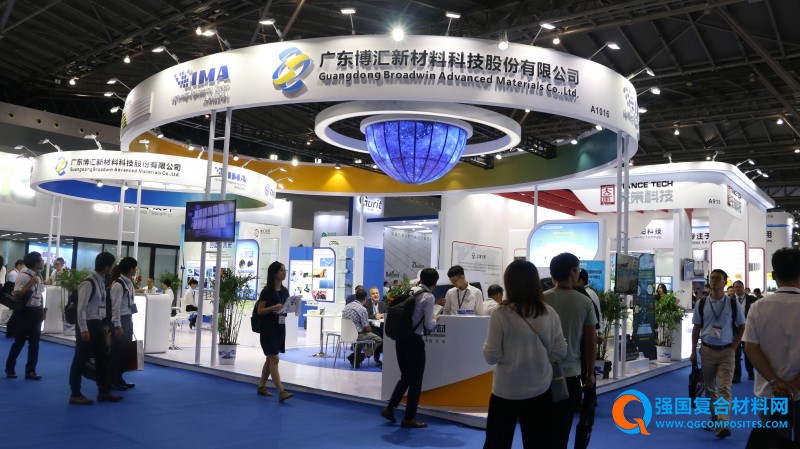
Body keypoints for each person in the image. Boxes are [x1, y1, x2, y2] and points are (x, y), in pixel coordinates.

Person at [482, 260, 567, 449]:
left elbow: (491, 356)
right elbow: (560, 351)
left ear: (508, 283)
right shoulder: (549, 312)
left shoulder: (500, 313)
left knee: (497, 443)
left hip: (505, 390)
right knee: (538, 443)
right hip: (540, 388)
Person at [743, 248, 800, 449]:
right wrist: (794, 385)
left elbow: (751, 349)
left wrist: (776, 382)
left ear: (774, 275)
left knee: (773, 442)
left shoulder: (758, 307)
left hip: (770, 391)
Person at [543, 252, 598, 449]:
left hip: (541, 374)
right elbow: (590, 342)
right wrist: (590, 373)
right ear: (573, 272)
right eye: (577, 270)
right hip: (570, 374)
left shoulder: (541, 299)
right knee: (562, 427)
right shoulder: (585, 302)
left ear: (553, 274)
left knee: (541, 428)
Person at [690, 268, 746, 438]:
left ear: (725, 282)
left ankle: (723, 423)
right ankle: (715, 418)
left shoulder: (732, 303)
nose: (714, 280)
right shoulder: (701, 303)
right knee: (710, 389)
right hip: (707, 350)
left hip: (726, 351)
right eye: (712, 278)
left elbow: (742, 325)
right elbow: (696, 327)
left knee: (724, 388)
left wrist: (734, 346)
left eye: (718, 278)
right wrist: (693, 350)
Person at [381, 268, 439, 428]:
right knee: (416, 381)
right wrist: (436, 319)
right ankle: (409, 418)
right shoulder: (428, 296)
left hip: (400, 338)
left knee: (406, 376)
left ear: (421, 279)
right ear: (435, 283)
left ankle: (390, 408)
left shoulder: (410, 290)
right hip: (414, 341)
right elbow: (429, 324)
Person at [69, 252, 122, 405]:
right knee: (80, 359)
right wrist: (83, 329)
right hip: (87, 325)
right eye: (111, 265)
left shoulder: (101, 281)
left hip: (97, 324)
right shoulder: (88, 282)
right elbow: (81, 308)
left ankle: (104, 391)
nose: (112, 268)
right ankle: (75, 393)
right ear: (106, 266)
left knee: (102, 358)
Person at [255, 261, 294, 402]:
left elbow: (285, 310)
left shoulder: (285, 291)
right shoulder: (267, 291)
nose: (284, 272)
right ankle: (281, 391)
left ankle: (261, 387)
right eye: (281, 270)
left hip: (279, 328)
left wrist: (286, 310)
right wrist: (273, 308)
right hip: (268, 329)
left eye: (285, 270)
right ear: (274, 273)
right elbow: (260, 311)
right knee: (274, 359)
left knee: (270, 358)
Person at [5, 252, 46, 380]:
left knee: (35, 344)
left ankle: (31, 371)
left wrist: (42, 312)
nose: (43, 262)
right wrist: (30, 284)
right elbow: (16, 294)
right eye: (41, 260)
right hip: (24, 313)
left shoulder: (39, 275)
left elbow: (40, 294)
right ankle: (10, 368)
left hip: (36, 313)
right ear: (36, 263)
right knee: (19, 342)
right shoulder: (23, 276)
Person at [109, 257, 137, 390]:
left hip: (127, 319)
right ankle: (112, 380)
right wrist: (117, 326)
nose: (136, 270)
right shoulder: (118, 285)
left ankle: (119, 378)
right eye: (135, 268)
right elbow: (115, 308)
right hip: (120, 320)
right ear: (131, 269)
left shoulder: (129, 283)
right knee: (116, 352)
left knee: (125, 351)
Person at [342, 288, 383, 368]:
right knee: (378, 339)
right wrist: (369, 329)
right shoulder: (362, 309)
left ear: (355, 296)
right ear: (365, 298)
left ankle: (355, 359)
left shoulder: (346, 307)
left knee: (362, 338)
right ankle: (363, 356)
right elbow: (366, 327)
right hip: (357, 335)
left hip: (345, 334)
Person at [731, 280, 758, 383]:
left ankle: (750, 373)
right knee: (735, 354)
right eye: (736, 287)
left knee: (748, 352)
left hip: (749, 329)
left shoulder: (752, 299)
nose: (738, 288)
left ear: (743, 288)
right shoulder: (730, 300)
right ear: (733, 289)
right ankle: (736, 376)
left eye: (740, 286)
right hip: (735, 330)